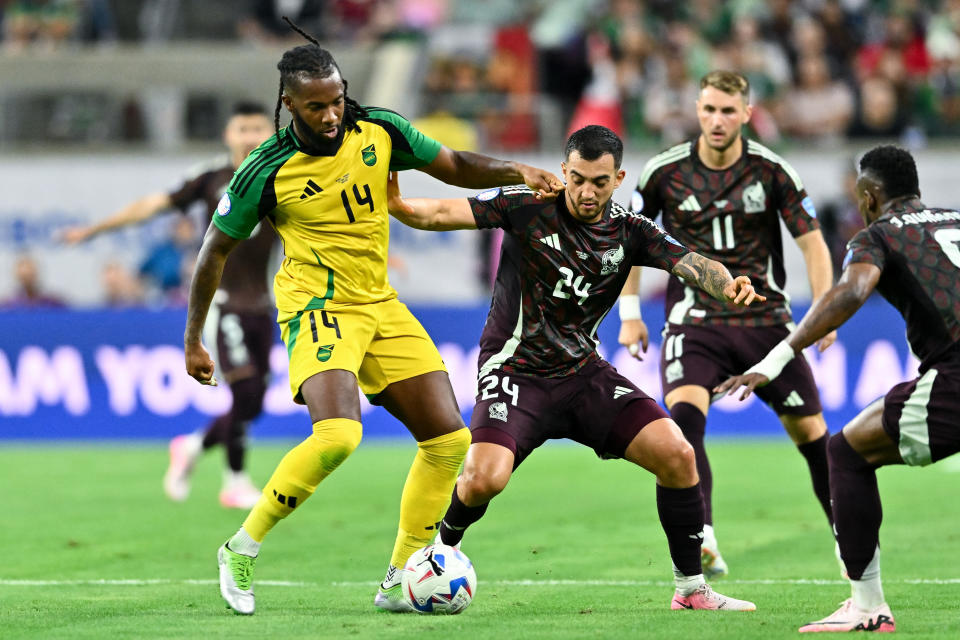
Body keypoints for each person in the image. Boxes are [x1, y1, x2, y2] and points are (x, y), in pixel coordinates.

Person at [182, 19, 564, 616]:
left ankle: (397, 578)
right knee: (339, 435)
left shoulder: (379, 128)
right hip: (316, 306)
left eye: (336, 99)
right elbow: (213, 252)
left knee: (448, 441)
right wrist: (194, 341)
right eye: (316, 106)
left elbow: (454, 163)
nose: (332, 114)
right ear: (289, 104)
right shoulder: (265, 168)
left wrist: (517, 170)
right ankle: (241, 547)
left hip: (378, 302)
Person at [388, 124, 760, 612]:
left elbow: (687, 261)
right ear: (564, 170)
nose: (586, 192)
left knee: (678, 454)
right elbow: (441, 211)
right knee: (484, 480)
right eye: (578, 178)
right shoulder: (527, 205)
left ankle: (691, 590)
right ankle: (441, 553)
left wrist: (728, 283)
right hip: (514, 370)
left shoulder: (631, 230)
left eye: (599, 182)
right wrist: (399, 206)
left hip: (583, 374)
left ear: (618, 178)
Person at [717, 145, 959, 633]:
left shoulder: (878, 235)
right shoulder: (955, 217)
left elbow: (850, 291)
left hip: (955, 376)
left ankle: (868, 606)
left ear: (869, 195)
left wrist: (776, 357)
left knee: (846, 451)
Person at [618, 70, 836, 577]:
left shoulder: (772, 170)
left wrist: (827, 311)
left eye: (728, 111)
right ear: (697, 110)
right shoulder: (662, 172)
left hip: (766, 322)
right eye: (709, 109)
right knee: (684, 423)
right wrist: (629, 315)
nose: (717, 120)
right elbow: (628, 242)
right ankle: (705, 539)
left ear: (746, 114)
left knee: (814, 437)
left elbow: (813, 243)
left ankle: (851, 541)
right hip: (694, 321)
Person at [61, 101, 275, 509]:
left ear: (270, 133)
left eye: (257, 128)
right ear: (228, 135)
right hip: (223, 303)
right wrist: (95, 228)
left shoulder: (282, 176)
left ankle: (191, 447)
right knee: (244, 390)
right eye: (241, 128)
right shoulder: (210, 178)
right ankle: (234, 481)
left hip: (264, 304)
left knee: (255, 402)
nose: (250, 137)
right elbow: (151, 206)